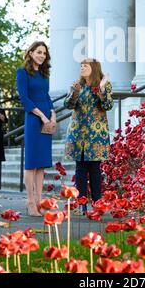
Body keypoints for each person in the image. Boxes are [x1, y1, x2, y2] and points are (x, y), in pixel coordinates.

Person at [64, 58, 113, 213]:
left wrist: (102, 88)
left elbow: (107, 105)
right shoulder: (77, 85)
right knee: (80, 167)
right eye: (81, 65)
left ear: (94, 68)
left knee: (94, 169)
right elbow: (68, 105)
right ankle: (82, 203)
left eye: (86, 65)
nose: (82, 68)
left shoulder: (102, 85)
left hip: (96, 133)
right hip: (78, 132)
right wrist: (74, 92)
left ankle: (97, 203)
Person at [16, 41, 56, 216]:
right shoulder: (22, 72)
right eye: (39, 52)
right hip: (33, 118)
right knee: (31, 163)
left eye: (44, 53)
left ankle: (40, 201)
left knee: (41, 164)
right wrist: (41, 115)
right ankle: (30, 202)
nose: (42, 55)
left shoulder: (44, 73)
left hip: (47, 118)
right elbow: (24, 98)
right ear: (31, 53)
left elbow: (45, 96)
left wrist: (52, 113)